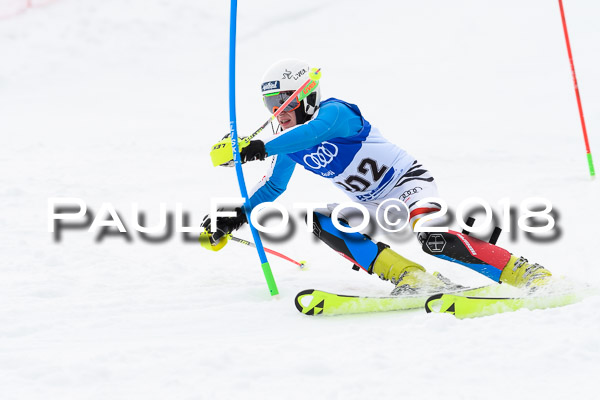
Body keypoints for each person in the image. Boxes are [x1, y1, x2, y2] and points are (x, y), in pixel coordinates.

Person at [202, 58, 552, 294]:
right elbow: (275, 186)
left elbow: (314, 134)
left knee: (434, 239)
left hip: (408, 186)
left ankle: (525, 273)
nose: (280, 112)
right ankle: (411, 277)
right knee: (321, 221)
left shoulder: (335, 113)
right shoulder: (285, 142)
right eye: (272, 104)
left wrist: (256, 148)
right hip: (373, 206)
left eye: (286, 102)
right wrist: (236, 216)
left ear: (307, 97)